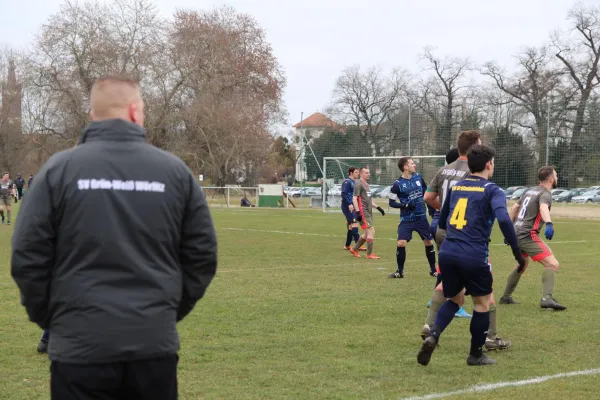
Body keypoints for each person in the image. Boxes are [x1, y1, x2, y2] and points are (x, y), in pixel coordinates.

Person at [11, 75, 218, 400]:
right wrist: (162, 311)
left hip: (80, 349)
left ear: (93, 115)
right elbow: (202, 256)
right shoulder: (174, 172)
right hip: (150, 345)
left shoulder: (58, 170)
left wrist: (54, 317)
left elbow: (27, 257)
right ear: (135, 111)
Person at [417, 145, 525, 366]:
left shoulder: (456, 187)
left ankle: (434, 335)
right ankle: (475, 354)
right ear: (488, 165)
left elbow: (443, 216)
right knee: (482, 303)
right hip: (474, 253)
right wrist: (517, 253)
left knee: (456, 298)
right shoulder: (492, 189)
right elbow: (504, 220)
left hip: (448, 251)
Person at [499, 166, 566, 310]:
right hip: (527, 235)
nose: (557, 178)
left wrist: (510, 229)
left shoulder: (529, 190)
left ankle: (505, 297)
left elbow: (515, 207)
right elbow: (543, 208)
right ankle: (546, 299)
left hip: (516, 233)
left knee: (522, 264)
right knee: (552, 264)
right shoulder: (545, 193)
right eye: (556, 175)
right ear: (550, 179)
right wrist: (549, 223)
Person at [425, 147, 472, 319]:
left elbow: (428, 197)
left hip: (439, 223)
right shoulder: (470, 171)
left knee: (445, 267)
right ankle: (455, 305)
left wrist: (444, 210)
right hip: (457, 226)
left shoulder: (443, 171)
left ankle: (435, 300)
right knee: (460, 269)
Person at [387, 157, 436, 278]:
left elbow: (426, 193)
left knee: (429, 242)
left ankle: (433, 270)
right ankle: (400, 271)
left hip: (421, 218)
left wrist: (431, 209)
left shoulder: (418, 177)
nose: (415, 165)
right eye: (412, 163)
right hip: (406, 219)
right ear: (405, 167)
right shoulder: (397, 184)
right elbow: (391, 202)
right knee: (401, 243)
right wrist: (406, 205)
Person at [348, 166, 385, 259]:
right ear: (361, 174)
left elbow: (368, 200)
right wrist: (357, 212)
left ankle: (354, 249)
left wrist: (379, 208)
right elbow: (354, 198)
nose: (368, 174)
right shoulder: (358, 183)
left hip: (368, 211)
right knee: (371, 232)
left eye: (369, 172)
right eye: (366, 173)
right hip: (363, 212)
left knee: (366, 233)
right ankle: (369, 254)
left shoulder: (366, 184)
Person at [341, 167, 362, 250]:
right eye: (356, 172)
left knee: (351, 226)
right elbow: (343, 194)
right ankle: (358, 245)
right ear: (351, 173)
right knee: (355, 224)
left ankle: (347, 245)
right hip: (348, 207)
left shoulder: (355, 182)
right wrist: (349, 204)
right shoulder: (347, 182)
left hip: (353, 206)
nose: (358, 173)